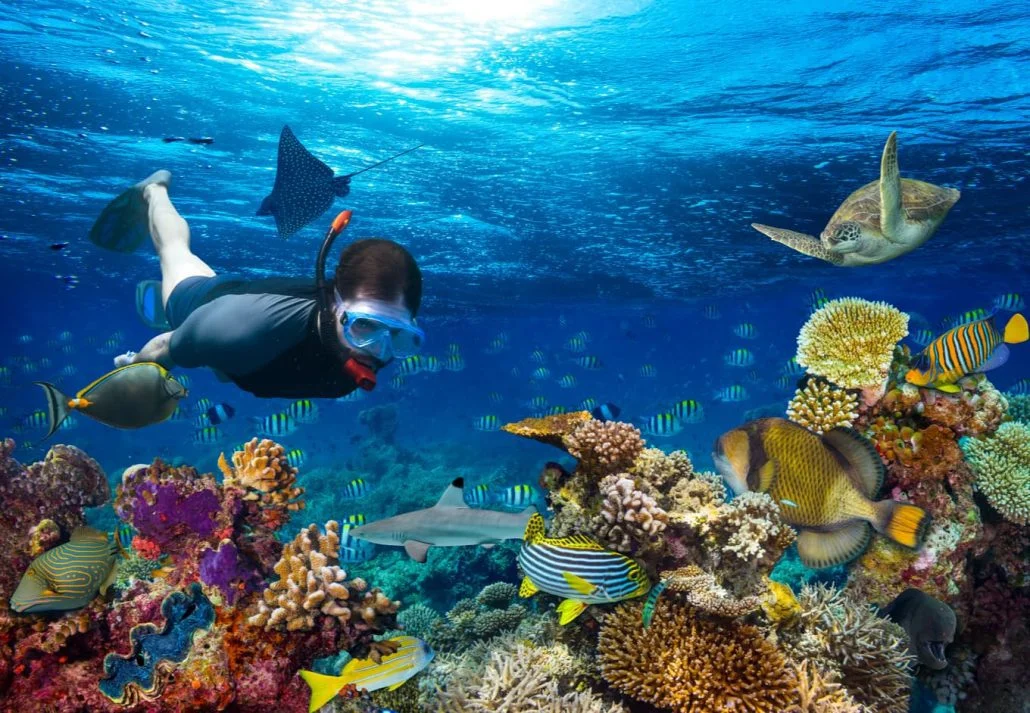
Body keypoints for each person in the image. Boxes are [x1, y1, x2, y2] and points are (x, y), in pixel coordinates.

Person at [97, 171, 424, 398]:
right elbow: (165, 347)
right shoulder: (241, 328)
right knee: (173, 249)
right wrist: (134, 370)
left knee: (224, 362)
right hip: (206, 304)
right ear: (335, 305)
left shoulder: (375, 341)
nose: (378, 352)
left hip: (247, 348)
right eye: (364, 325)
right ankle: (155, 190)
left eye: (399, 336)